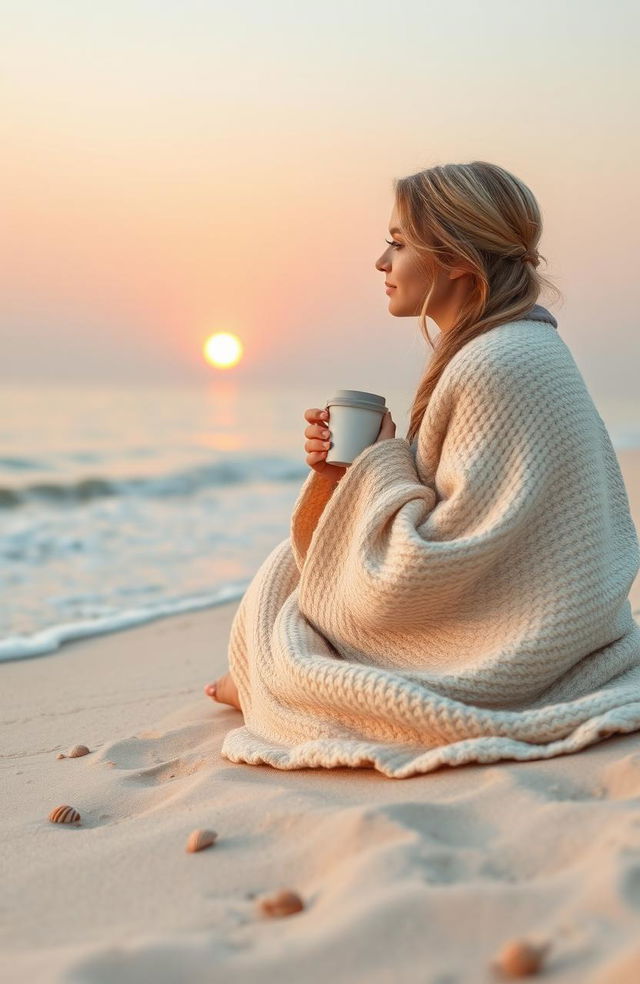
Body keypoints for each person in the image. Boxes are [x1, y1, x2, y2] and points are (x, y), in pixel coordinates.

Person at [204, 160, 562, 711]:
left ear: (458, 260)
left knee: (289, 587)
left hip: (520, 632)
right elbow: (469, 515)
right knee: (304, 566)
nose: (381, 262)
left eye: (397, 243)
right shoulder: (512, 345)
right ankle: (253, 674)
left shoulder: (493, 361)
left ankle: (256, 680)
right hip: (544, 614)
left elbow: (429, 563)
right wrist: (342, 476)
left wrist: (379, 462)